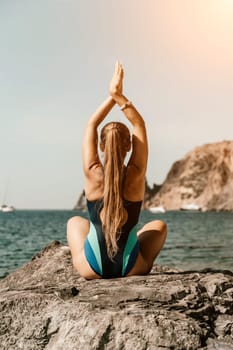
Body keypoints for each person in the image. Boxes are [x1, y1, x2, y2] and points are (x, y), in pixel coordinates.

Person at [67, 62, 167, 279]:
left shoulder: (92, 172)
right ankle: (136, 257)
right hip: (131, 268)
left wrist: (111, 96)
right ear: (129, 146)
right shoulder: (137, 173)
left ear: (101, 146)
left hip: (92, 269)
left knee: (75, 222)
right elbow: (139, 125)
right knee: (158, 225)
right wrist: (120, 96)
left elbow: (91, 126)